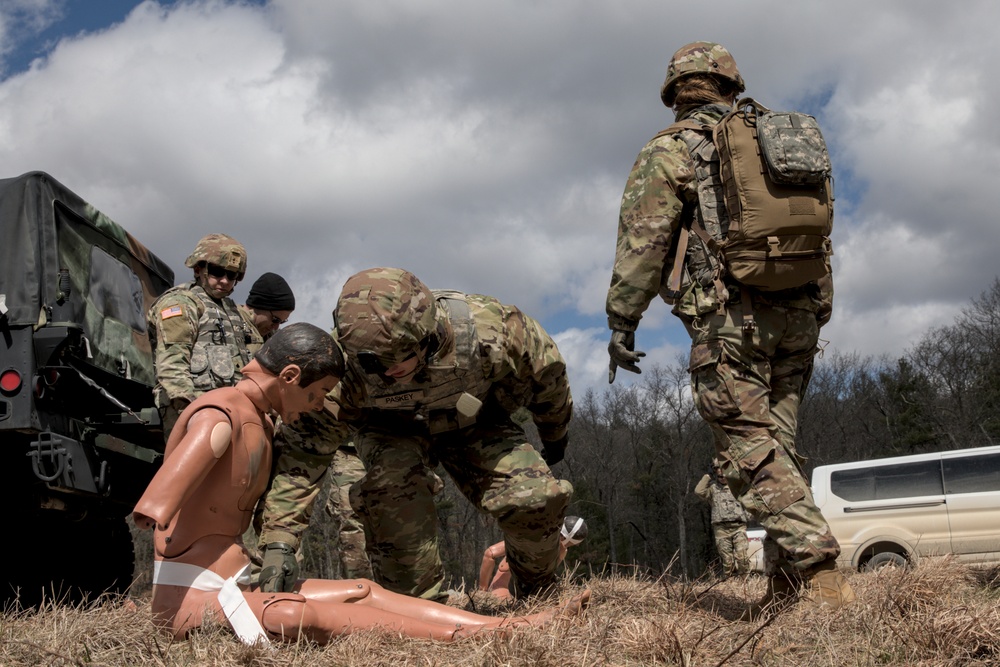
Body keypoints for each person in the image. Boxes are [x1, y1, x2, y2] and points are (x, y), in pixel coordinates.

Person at [132, 323, 588, 644]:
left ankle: (501, 625)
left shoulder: (258, 420)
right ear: (289, 377)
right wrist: (158, 508)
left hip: (238, 581)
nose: (315, 406)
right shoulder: (221, 414)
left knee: (363, 590)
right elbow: (158, 500)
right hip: (192, 597)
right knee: (303, 614)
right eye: (313, 395)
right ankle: (495, 633)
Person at [604, 41, 854, 615]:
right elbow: (820, 226)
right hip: (800, 312)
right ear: (731, 84)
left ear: (674, 93)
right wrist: (818, 308)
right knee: (779, 450)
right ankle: (786, 590)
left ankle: (821, 572)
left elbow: (644, 243)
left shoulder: (671, 148)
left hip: (731, 321)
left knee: (746, 450)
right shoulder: (782, 137)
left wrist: (622, 320)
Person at [256, 267, 574, 603]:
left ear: (426, 339)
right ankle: (419, 606)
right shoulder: (343, 370)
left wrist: (554, 434)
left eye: (394, 362)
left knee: (535, 497)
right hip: (389, 429)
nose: (385, 373)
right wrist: (280, 541)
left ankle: (537, 592)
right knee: (392, 492)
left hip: (474, 420)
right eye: (371, 364)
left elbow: (549, 377)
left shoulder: (495, 330)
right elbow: (305, 453)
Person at [147, 233, 256, 439]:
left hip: (227, 409)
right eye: (217, 272)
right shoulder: (181, 304)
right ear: (199, 269)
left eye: (232, 275)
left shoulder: (230, 310)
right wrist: (193, 409)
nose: (224, 281)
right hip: (190, 409)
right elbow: (172, 366)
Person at [479, 516, 587, 601]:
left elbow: (489, 554)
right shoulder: (535, 540)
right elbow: (490, 554)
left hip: (521, 598)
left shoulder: (558, 550)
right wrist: (482, 591)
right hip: (503, 592)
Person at [695, 463, 749, 578]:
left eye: (725, 475)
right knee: (727, 561)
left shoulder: (737, 486)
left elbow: (750, 498)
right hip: (721, 529)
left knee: (742, 557)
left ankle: (745, 583)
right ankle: (729, 583)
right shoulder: (712, 489)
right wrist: (707, 476)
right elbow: (699, 491)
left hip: (738, 526)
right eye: (720, 476)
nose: (723, 478)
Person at [240, 272, 296, 356]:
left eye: (281, 322)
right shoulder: (229, 325)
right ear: (259, 305)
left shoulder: (273, 338)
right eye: (275, 320)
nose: (276, 326)